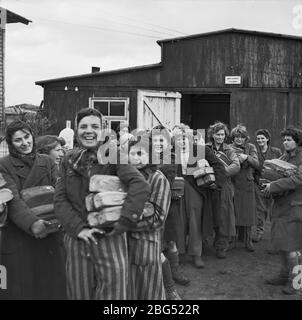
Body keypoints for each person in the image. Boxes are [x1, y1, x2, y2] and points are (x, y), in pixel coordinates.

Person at [54, 108, 150, 300]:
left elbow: (140, 185)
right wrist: (78, 229)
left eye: (95, 126)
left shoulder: (114, 156)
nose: (89, 131)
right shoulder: (69, 160)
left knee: (113, 295)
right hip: (77, 238)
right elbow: (60, 199)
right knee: (79, 293)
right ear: (76, 129)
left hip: (109, 239)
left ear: (103, 130)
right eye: (83, 126)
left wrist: (124, 222)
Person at [0, 120, 66, 300]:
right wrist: (33, 224)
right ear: (10, 143)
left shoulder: (47, 162)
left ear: (32, 136)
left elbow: (59, 192)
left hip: (50, 232)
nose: (25, 143)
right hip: (21, 236)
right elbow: (12, 199)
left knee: (52, 290)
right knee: (23, 291)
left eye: (27, 137)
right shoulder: (4, 165)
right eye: (18, 140)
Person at [174, 127, 226, 268]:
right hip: (176, 190)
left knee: (195, 221)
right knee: (179, 221)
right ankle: (178, 254)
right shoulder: (171, 152)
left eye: (184, 138)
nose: (182, 141)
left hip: (195, 189)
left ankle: (196, 254)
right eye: (178, 138)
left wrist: (215, 183)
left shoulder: (201, 150)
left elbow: (219, 166)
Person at [127, 135, 171, 299]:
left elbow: (158, 218)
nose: (136, 158)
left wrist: (124, 223)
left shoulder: (157, 179)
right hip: (124, 245)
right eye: (133, 153)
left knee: (149, 290)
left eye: (141, 154)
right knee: (130, 290)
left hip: (145, 244)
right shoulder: (125, 177)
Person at [151, 125, 190, 290]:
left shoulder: (171, 157)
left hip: (169, 205)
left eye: (162, 140)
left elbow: (169, 179)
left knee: (171, 240)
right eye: (155, 140)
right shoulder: (146, 156)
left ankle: (175, 271)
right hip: (151, 206)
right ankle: (159, 275)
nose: (159, 143)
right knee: (156, 242)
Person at [264, 126, 302, 295]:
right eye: (284, 140)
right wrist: (266, 183)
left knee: (292, 247)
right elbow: (273, 172)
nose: (285, 142)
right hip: (280, 205)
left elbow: (298, 179)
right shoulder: (284, 157)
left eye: (289, 140)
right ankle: (283, 275)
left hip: (294, 206)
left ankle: (296, 283)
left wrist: (273, 186)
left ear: (297, 141)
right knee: (281, 244)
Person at [207, 122, 240, 258]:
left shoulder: (229, 150)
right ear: (212, 135)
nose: (220, 137)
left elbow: (236, 166)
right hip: (209, 185)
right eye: (217, 134)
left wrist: (219, 174)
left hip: (224, 186)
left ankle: (222, 245)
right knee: (212, 214)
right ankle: (212, 240)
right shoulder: (206, 148)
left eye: (222, 134)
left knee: (224, 216)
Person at [230, 124, 259, 252]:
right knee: (234, 211)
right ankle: (232, 240)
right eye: (237, 137)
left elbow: (257, 164)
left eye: (242, 137)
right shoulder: (229, 148)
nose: (239, 139)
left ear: (245, 138)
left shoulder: (250, 147)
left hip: (247, 184)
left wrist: (247, 157)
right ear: (233, 138)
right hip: (234, 183)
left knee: (247, 213)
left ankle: (248, 241)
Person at [253, 129, 282, 243]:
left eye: (262, 138)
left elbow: (281, 167)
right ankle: (259, 233)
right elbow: (253, 169)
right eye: (258, 138)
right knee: (260, 210)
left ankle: (276, 237)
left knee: (275, 212)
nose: (260, 140)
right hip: (260, 185)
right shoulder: (255, 152)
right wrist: (258, 182)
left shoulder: (276, 152)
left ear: (267, 139)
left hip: (275, 185)